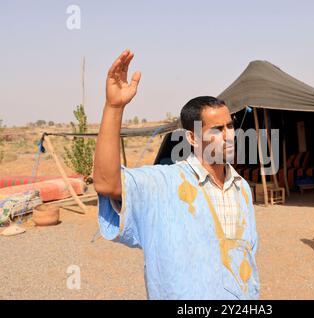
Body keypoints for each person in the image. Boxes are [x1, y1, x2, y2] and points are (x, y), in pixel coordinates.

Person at [93, 49, 259, 299]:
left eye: (230, 126)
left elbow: (248, 254)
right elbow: (107, 183)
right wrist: (114, 107)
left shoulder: (241, 188)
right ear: (192, 138)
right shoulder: (165, 183)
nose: (229, 135)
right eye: (217, 129)